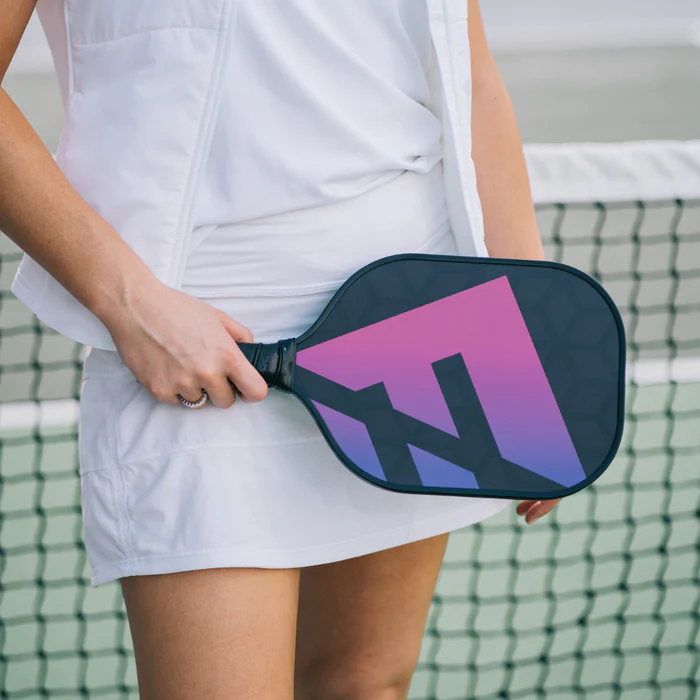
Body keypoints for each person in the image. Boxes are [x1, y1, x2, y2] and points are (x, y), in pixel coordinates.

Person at [1, 0, 560, 697]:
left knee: (363, 686)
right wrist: (132, 305)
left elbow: (467, 67)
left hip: (417, 325)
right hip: (197, 345)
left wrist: (532, 319)